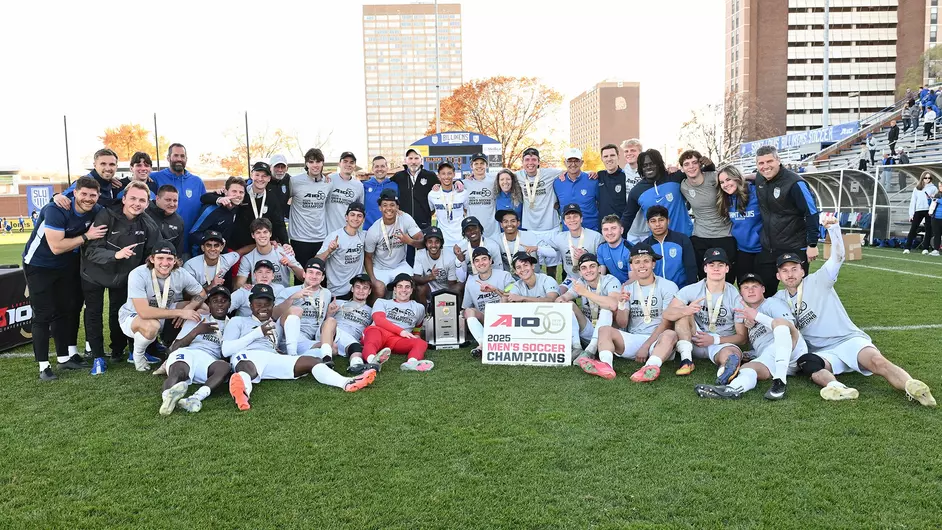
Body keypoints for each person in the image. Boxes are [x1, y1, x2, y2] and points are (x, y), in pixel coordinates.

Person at [775, 219, 935, 406]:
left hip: (848, 340)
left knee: (877, 362)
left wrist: (834, 229)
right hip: (823, 352)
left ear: (802, 271)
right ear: (778, 276)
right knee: (807, 363)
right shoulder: (778, 300)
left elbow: (838, 257)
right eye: (785, 271)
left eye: (794, 269)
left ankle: (913, 386)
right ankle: (838, 388)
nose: (790, 274)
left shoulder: (819, 280)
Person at [225, 284, 376, 411]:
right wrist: (257, 333)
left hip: (272, 357)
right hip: (248, 355)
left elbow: (290, 320)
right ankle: (243, 393)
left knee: (312, 362)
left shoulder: (274, 325)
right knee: (247, 369)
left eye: (267, 304)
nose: (263, 308)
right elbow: (226, 350)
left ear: (273, 305)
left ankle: (346, 382)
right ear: (250, 305)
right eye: (258, 304)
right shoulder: (238, 321)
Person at [23, 176, 105, 380]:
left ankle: (64, 358)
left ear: (98, 196)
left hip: (66, 265)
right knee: (43, 314)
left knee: (64, 310)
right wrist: (86, 236)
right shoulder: (56, 209)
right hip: (39, 264)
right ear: (74, 193)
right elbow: (56, 247)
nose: (88, 198)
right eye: (84, 194)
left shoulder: (96, 210)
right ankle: (43, 366)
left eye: (93, 195)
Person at [82, 182, 161, 374]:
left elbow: (152, 253)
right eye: (132, 198)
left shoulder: (148, 224)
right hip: (94, 273)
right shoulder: (106, 215)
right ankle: (98, 357)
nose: (137, 203)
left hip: (123, 276)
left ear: (147, 203)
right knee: (94, 313)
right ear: (124, 199)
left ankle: (122, 351)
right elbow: (91, 251)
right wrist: (115, 255)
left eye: (142, 200)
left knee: (121, 312)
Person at [694, 273, 805, 400]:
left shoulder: (772, 303)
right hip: (773, 358)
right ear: (741, 293)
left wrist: (757, 316)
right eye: (746, 287)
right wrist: (752, 353)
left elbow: (788, 327)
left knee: (780, 323)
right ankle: (732, 389)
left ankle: (779, 381)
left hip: (794, 348)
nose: (750, 290)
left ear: (763, 289)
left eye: (755, 286)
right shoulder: (744, 315)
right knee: (747, 369)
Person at [594, 243, 680, 383]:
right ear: (632, 266)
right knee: (604, 330)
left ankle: (650, 367)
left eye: (646, 261)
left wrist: (646, 346)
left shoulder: (668, 286)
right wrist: (622, 304)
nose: (642, 265)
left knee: (671, 334)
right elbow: (622, 323)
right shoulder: (628, 288)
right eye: (637, 262)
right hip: (634, 338)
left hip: (658, 341)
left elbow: (667, 322)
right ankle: (606, 366)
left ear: (653, 264)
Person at [117, 243, 206, 372]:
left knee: (203, 307)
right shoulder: (138, 274)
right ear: (152, 259)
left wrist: (189, 308)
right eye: (160, 258)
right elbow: (144, 312)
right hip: (134, 315)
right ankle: (138, 355)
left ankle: (176, 347)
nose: (165, 263)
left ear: (175, 260)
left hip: (165, 309)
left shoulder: (180, 273)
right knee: (152, 325)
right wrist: (180, 313)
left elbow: (202, 293)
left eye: (169, 259)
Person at [664, 248, 747, 381]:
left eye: (720, 265)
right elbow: (667, 313)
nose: (716, 269)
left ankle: (725, 370)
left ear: (727, 269)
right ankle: (686, 360)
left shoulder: (735, 297)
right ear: (705, 268)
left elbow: (742, 337)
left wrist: (714, 340)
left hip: (720, 341)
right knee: (683, 312)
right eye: (711, 265)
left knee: (733, 353)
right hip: (693, 339)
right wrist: (686, 310)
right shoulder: (692, 289)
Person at [753, 145, 820, 298]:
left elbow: (811, 213)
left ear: (778, 160)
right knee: (763, 293)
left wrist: (812, 244)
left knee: (798, 294)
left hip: (793, 247)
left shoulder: (795, 183)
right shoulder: (760, 178)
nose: (765, 166)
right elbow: (752, 176)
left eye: (769, 161)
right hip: (768, 248)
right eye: (761, 163)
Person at [159, 285, 234, 415]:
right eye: (215, 301)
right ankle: (167, 398)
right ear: (209, 304)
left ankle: (196, 398)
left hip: (209, 358)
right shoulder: (197, 318)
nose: (220, 304)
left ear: (229, 304)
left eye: (224, 301)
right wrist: (197, 331)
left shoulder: (232, 324)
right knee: (179, 370)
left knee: (224, 367)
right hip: (188, 352)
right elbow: (175, 348)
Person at [678, 150, 735, 282]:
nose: (691, 167)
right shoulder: (683, 186)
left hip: (724, 235)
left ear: (700, 164)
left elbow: (733, 181)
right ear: (682, 168)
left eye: (694, 162)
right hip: (700, 236)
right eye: (686, 164)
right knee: (704, 277)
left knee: (727, 278)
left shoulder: (714, 177)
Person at [558, 253, 621, 371]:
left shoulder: (610, 280)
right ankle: (576, 347)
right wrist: (561, 300)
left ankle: (590, 351)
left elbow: (613, 304)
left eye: (592, 266)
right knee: (568, 305)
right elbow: (562, 298)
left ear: (599, 268)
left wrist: (585, 293)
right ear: (580, 272)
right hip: (589, 328)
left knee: (606, 309)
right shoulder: (581, 282)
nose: (588, 271)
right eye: (584, 268)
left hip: (607, 334)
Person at [361, 273, 433, 372]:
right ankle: (372, 361)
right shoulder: (382, 302)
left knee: (421, 343)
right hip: (380, 332)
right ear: (394, 289)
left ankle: (411, 363)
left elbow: (418, 324)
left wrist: (416, 334)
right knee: (372, 334)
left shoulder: (419, 307)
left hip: (399, 340)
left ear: (411, 290)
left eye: (407, 287)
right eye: (400, 286)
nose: (403, 290)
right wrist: (401, 331)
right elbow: (379, 320)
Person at [364, 189, 425, 300]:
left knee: (412, 286)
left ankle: (410, 310)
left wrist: (410, 242)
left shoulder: (405, 218)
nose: (389, 208)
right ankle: (374, 311)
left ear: (397, 207)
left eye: (392, 205)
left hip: (400, 265)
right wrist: (373, 279)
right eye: (385, 205)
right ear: (380, 208)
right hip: (380, 268)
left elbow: (422, 241)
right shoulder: (373, 230)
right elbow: (368, 257)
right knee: (379, 289)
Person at [621, 149, 693, 241]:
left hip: (686, 238)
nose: (648, 167)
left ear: (659, 164)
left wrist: (708, 165)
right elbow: (627, 218)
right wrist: (618, 240)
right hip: (659, 243)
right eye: (644, 165)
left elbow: (698, 175)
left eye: (652, 164)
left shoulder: (676, 177)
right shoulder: (636, 191)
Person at [284, 148, 332, 281]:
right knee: (301, 278)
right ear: (306, 164)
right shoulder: (294, 181)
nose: (315, 165)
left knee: (320, 278)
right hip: (299, 238)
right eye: (311, 162)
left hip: (321, 237)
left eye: (318, 161)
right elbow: (282, 200)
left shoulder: (328, 183)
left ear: (323, 163)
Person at [515, 147, 564, 277]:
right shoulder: (518, 176)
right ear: (522, 162)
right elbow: (499, 176)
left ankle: (551, 288)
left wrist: (593, 173)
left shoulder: (549, 173)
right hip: (531, 229)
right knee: (534, 266)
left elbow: (571, 170)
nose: (530, 163)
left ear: (538, 162)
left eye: (533, 159)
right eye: (527, 160)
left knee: (552, 267)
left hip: (550, 227)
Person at [274, 258, 335, 361]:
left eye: (318, 274)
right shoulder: (289, 291)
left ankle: (326, 358)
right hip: (291, 335)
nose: (314, 276)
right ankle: (292, 354)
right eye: (310, 272)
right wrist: (292, 298)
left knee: (333, 345)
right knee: (296, 310)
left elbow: (322, 316)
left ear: (322, 278)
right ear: (304, 274)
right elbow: (274, 315)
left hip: (312, 336)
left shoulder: (326, 293)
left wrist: (329, 313)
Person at [150, 143, 206, 249]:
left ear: (186, 159)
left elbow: (206, 208)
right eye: (176, 155)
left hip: (191, 245)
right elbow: (138, 187)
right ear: (168, 158)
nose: (179, 159)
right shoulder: (155, 178)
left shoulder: (197, 181)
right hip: (163, 246)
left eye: (182, 156)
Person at [318, 274, 378, 375]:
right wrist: (329, 313)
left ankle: (356, 365)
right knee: (331, 321)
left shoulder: (372, 311)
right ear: (352, 289)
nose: (361, 290)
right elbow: (323, 323)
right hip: (332, 332)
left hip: (351, 339)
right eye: (357, 287)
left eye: (365, 288)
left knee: (356, 347)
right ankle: (326, 358)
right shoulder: (339, 303)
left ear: (369, 291)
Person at [462, 247, 515, 358]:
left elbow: (512, 297)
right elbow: (466, 307)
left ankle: (497, 339)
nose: (481, 263)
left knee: (504, 299)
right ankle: (483, 343)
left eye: (484, 259)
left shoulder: (504, 275)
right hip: (485, 319)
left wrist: (495, 290)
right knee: (468, 311)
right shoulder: (471, 281)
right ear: (474, 264)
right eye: (477, 260)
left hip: (505, 318)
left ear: (490, 260)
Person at [541, 203, 603, 294]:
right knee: (557, 294)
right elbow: (544, 244)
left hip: (592, 277)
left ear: (581, 219)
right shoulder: (560, 237)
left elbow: (603, 261)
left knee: (593, 299)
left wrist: (586, 256)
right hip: (572, 278)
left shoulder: (596, 237)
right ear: (564, 222)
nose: (572, 220)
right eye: (568, 217)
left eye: (575, 216)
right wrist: (535, 248)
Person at [226, 161, 289, 250]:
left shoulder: (272, 197)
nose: (260, 179)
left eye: (264, 176)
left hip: (262, 246)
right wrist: (217, 198)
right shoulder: (241, 193)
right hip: (239, 247)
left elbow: (279, 223)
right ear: (252, 175)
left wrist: (285, 242)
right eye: (257, 175)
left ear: (269, 178)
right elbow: (211, 197)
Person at [717, 165, 762, 281]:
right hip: (742, 251)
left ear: (737, 178)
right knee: (744, 285)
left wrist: (747, 177)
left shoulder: (755, 192)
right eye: (722, 182)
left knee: (765, 286)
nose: (725, 184)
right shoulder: (726, 199)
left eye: (728, 179)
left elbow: (767, 176)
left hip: (762, 250)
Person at [236, 218, 303, 289]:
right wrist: (244, 286)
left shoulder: (285, 252)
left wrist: (291, 265)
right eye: (258, 232)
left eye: (265, 232)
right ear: (253, 235)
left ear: (270, 234)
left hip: (282, 293)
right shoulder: (247, 258)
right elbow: (238, 284)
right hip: (259, 294)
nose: (262, 235)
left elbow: (302, 277)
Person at [317, 202, 367, 298]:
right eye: (352, 215)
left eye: (359, 216)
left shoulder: (364, 236)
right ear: (346, 217)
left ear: (363, 220)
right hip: (337, 292)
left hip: (357, 291)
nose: (355, 218)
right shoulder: (334, 237)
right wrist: (329, 251)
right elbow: (316, 260)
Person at [642, 205, 697, 288]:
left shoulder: (682, 240)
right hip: (656, 291)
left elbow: (691, 268)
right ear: (648, 224)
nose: (657, 224)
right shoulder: (645, 245)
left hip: (681, 289)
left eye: (661, 220)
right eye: (653, 221)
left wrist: (690, 290)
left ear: (668, 221)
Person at [189, 177, 246, 254]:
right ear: (225, 191)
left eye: (241, 192)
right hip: (203, 254)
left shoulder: (237, 208)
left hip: (222, 253)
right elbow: (193, 234)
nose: (238, 195)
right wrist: (214, 240)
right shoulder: (211, 209)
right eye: (234, 191)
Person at [391, 148, 440, 231]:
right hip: (403, 225)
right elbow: (385, 185)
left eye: (416, 158)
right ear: (405, 160)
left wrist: (457, 182)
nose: (413, 162)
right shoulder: (398, 176)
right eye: (410, 158)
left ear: (421, 160)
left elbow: (445, 183)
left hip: (424, 225)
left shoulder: (430, 176)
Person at [58, 148, 123, 208]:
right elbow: (61, 199)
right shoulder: (84, 182)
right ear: (95, 165)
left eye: (112, 164)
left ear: (116, 167)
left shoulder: (114, 184)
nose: (108, 168)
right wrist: (56, 196)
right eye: (103, 164)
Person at [554, 148, 600, 231]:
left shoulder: (592, 180)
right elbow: (556, 205)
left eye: (576, 161)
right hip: (568, 232)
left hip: (591, 230)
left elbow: (601, 204)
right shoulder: (557, 183)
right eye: (569, 161)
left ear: (582, 162)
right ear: (565, 163)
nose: (573, 164)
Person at [412, 226, 459, 306]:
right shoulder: (420, 254)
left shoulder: (450, 257)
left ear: (441, 243)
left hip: (445, 289)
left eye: (437, 242)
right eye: (430, 242)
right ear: (426, 243)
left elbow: (452, 285)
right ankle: (424, 311)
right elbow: (416, 278)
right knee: (419, 288)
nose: (433, 245)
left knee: (457, 288)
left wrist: (444, 299)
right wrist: (429, 277)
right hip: (430, 289)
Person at [427, 162, 467, 253]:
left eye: (449, 173)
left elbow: (466, 210)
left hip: (462, 239)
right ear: (438, 175)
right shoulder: (432, 194)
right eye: (443, 174)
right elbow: (431, 212)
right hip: (443, 240)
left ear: (454, 174)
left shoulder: (463, 193)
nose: (446, 177)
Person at [490, 209, 541, 276]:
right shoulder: (495, 240)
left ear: (518, 223)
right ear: (501, 225)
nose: (509, 224)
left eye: (513, 221)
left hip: (531, 277)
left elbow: (552, 252)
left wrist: (537, 248)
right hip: (508, 279)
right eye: (505, 221)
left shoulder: (531, 236)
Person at [453, 216, 503, 282]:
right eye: (468, 230)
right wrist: (460, 261)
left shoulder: (492, 245)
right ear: (464, 233)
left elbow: (499, 270)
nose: (472, 231)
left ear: (480, 228)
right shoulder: (461, 249)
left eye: (474, 228)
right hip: (471, 281)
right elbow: (462, 279)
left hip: (491, 279)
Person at [496, 252, 560, 304]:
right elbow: (512, 302)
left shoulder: (547, 280)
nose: (523, 269)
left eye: (525, 265)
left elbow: (552, 300)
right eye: (518, 267)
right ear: (515, 271)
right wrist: (505, 300)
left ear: (532, 266)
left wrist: (523, 298)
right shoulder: (517, 285)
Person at [325, 152, 365, 235]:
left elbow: (360, 211)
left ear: (355, 166)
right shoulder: (329, 179)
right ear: (339, 164)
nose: (348, 164)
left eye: (351, 162)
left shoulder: (359, 186)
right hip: (329, 233)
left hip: (348, 233)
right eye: (345, 161)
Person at [463, 153, 498, 238]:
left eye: (482, 163)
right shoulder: (464, 183)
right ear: (471, 166)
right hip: (473, 229)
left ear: (487, 165)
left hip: (492, 230)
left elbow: (509, 176)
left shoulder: (494, 180)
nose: (479, 166)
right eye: (476, 164)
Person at [620, 139, 648, 243]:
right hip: (631, 229)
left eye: (633, 150)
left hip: (648, 228)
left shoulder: (648, 171)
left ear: (640, 152)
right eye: (626, 151)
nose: (629, 153)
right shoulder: (623, 172)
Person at [145, 185, 186, 257]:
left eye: (175, 201)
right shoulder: (144, 213)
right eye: (168, 200)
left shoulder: (179, 221)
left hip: (165, 262)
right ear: (157, 198)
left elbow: (178, 251)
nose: (172, 204)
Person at [904, 173, 938, 254]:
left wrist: (932, 198)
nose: (927, 179)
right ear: (922, 178)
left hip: (929, 210)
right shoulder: (917, 188)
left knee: (928, 230)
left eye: (929, 178)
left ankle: (925, 248)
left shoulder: (934, 188)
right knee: (913, 229)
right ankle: (907, 248)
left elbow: (936, 200)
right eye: (925, 178)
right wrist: (911, 214)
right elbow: (913, 201)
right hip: (919, 210)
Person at [363, 156, 398, 229]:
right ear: (372, 169)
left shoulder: (395, 185)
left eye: (382, 166)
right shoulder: (364, 185)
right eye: (376, 166)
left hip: (390, 230)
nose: (379, 169)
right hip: (368, 229)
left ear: (387, 168)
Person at [596, 215, 633, 284]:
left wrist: (621, 288)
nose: (609, 233)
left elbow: (633, 279)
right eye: (606, 229)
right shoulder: (601, 248)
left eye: (613, 228)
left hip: (629, 286)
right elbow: (601, 275)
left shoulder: (630, 250)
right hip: (611, 286)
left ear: (621, 230)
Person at [597, 144, 628, 222]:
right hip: (603, 225)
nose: (609, 159)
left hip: (620, 225)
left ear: (618, 156)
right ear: (602, 159)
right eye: (605, 156)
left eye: (612, 155)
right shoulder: (599, 175)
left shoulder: (626, 177)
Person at [930, 186, 942, 255]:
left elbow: (938, 201)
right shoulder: (937, 195)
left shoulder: (938, 198)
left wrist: (938, 200)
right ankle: (936, 250)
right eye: (939, 186)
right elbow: (932, 205)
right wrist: (929, 200)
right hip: (935, 217)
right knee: (936, 234)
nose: (940, 187)